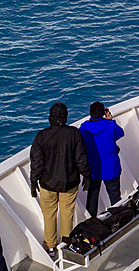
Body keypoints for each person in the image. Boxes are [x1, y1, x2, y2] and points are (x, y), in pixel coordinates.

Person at [30, 102, 91, 259]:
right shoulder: (74, 133)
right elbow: (81, 158)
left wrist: (33, 181)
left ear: (50, 117)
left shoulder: (41, 136)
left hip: (47, 183)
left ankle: (50, 247)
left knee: (49, 214)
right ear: (65, 117)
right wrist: (87, 176)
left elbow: (37, 162)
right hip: (69, 182)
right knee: (67, 214)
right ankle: (65, 246)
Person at [80, 102, 124, 217]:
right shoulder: (110, 125)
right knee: (115, 196)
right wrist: (110, 119)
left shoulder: (84, 128)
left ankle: (92, 221)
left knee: (92, 196)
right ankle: (117, 219)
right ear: (103, 113)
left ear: (90, 113)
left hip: (93, 169)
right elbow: (120, 133)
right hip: (111, 167)